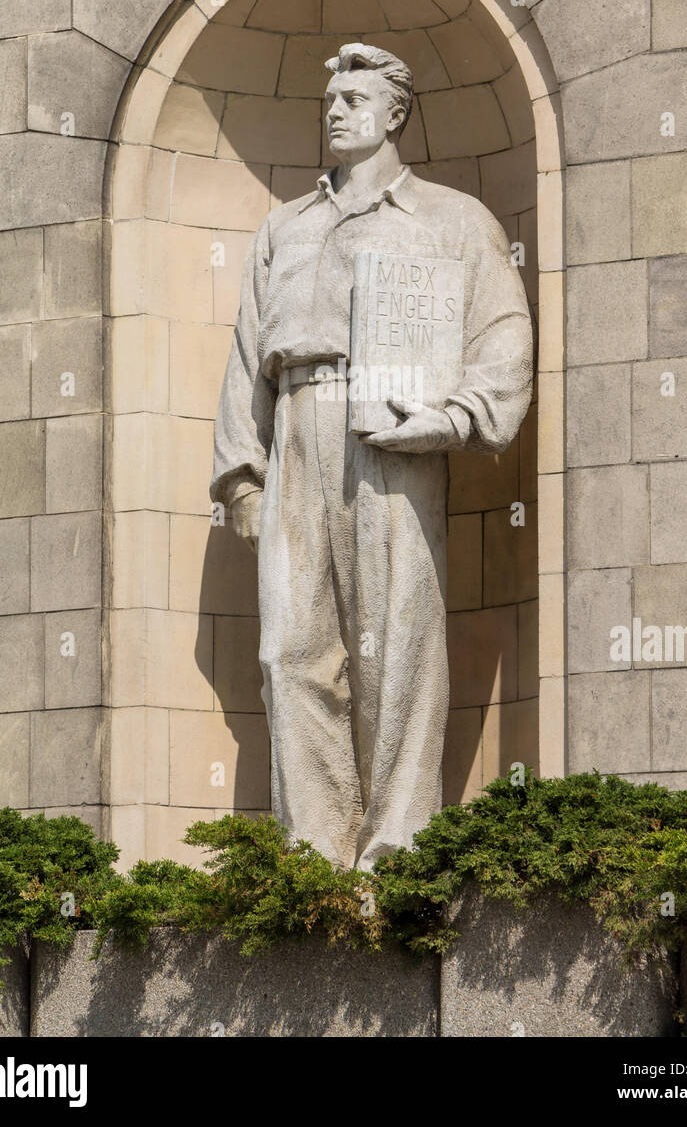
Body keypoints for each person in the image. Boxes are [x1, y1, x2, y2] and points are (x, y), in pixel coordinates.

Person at [210, 43, 533, 870]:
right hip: (297, 430)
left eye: (356, 97)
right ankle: (314, 853)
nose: (337, 109)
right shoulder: (284, 227)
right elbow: (249, 356)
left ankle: (396, 841)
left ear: (395, 113)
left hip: (396, 443)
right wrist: (243, 473)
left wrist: (452, 421)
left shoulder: (455, 220)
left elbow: (503, 341)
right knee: (290, 652)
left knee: (397, 642)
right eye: (330, 98)